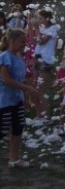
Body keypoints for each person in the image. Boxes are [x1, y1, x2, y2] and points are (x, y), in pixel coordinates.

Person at [0, 28, 39, 168]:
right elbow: (6, 80)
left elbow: (21, 80)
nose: (25, 44)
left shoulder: (19, 57)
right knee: (3, 130)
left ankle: (14, 159)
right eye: (22, 41)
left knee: (18, 129)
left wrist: (25, 99)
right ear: (12, 41)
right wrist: (27, 89)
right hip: (4, 101)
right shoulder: (4, 57)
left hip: (17, 100)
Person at [34, 8, 59, 120]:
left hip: (47, 61)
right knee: (36, 89)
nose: (38, 20)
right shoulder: (41, 28)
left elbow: (41, 41)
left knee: (42, 90)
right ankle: (39, 115)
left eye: (41, 18)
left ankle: (47, 117)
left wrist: (35, 29)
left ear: (47, 18)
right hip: (38, 59)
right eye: (38, 18)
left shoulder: (52, 28)